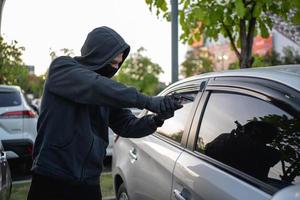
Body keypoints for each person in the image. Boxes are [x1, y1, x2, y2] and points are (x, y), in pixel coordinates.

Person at [27, 26, 182, 200]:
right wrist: (148, 101)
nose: (115, 69)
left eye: (118, 64)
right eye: (112, 62)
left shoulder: (106, 91)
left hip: (89, 183)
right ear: (97, 55)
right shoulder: (62, 68)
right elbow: (93, 85)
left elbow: (127, 125)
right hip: (52, 178)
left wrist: (157, 119)